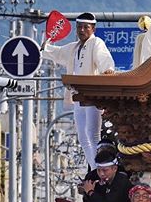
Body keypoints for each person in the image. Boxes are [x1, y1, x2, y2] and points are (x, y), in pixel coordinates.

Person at [43, 12, 115, 168]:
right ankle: (94, 168)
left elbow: (103, 58)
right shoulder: (74, 47)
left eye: (86, 27)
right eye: (79, 27)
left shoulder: (96, 43)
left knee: (93, 134)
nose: (82, 30)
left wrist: (107, 69)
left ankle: (100, 167)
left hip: (93, 95)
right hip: (78, 95)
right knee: (83, 137)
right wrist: (45, 46)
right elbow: (56, 52)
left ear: (93, 28)